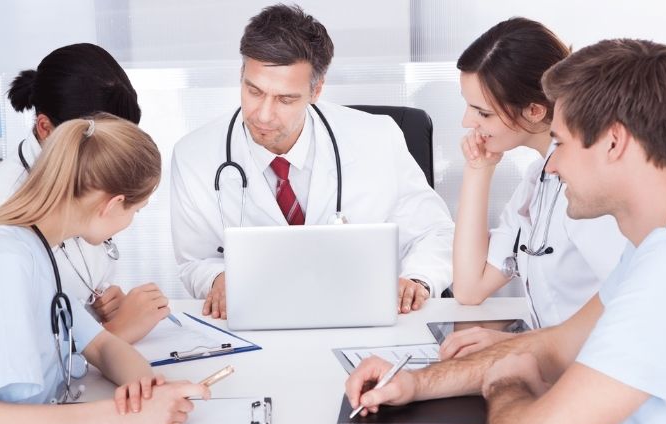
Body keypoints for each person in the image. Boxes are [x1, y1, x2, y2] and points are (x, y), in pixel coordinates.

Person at [345, 38, 666, 424]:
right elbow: (557, 344)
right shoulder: (649, 251)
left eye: (563, 143)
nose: (551, 165)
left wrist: (506, 383)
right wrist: (416, 383)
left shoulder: (664, 278)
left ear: (613, 142)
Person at [0, 114, 210, 424]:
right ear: (113, 204)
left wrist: (145, 388)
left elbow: (103, 345)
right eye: (136, 211)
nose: (131, 221)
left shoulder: (36, 248)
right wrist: (127, 415)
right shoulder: (1, 264)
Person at [170, 4, 455, 319]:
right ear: (241, 76)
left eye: (285, 99)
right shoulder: (194, 156)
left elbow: (434, 231)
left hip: (361, 317)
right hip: (260, 319)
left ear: (316, 90)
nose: (263, 114)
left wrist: (417, 279)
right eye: (254, 91)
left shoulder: (379, 138)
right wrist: (217, 279)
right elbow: (194, 261)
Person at [0, 43, 169, 343]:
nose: (112, 156)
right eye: (102, 143)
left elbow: (68, 291)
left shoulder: (83, 180)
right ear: (45, 128)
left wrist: (101, 302)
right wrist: (113, 335)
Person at [447, 18, 626, 358]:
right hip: (558, 364)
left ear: (533, 110)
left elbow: (631, 303)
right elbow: (470, 288)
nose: (467, 123)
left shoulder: (590, 190)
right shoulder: (537, 178)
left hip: (595, 374)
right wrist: (478, 170)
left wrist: (523, 346)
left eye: (482, 113)